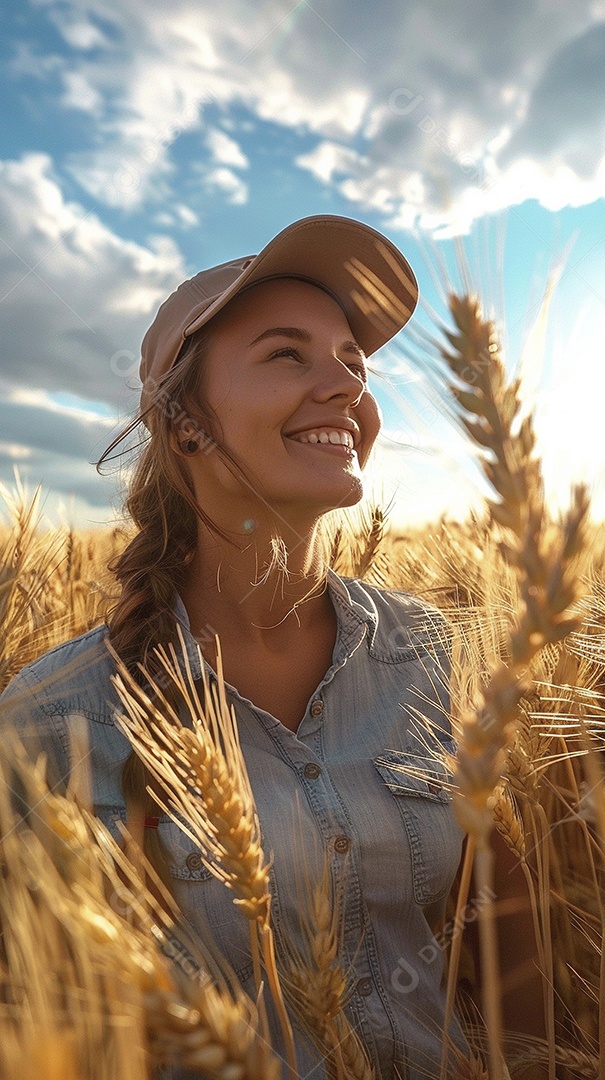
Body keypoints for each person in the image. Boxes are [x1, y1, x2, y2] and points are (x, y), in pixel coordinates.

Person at [0, 216, 468, 1079]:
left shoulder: (438, 656)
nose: (345, 388)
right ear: (184, 424)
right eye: (287, 355)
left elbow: (513, 936)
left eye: (354, 363)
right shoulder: (46, 722)